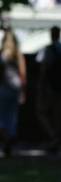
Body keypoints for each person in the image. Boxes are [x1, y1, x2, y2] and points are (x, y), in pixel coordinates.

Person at [36, 25, 61, 150]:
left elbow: (44, 69)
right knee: (58, 115)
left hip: (51, 87)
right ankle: (56, 138)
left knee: (42, 112)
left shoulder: (49, 50)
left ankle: (54, 137)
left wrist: (42, 86)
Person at [0, 29, 26, 157]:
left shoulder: (3, 55)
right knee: (12, 117)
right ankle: (9, 139)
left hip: (4, 87)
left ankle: (6, 140)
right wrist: (22, 91)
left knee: (2, 117)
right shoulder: (18, 54)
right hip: (15, 88)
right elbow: (22, 73)